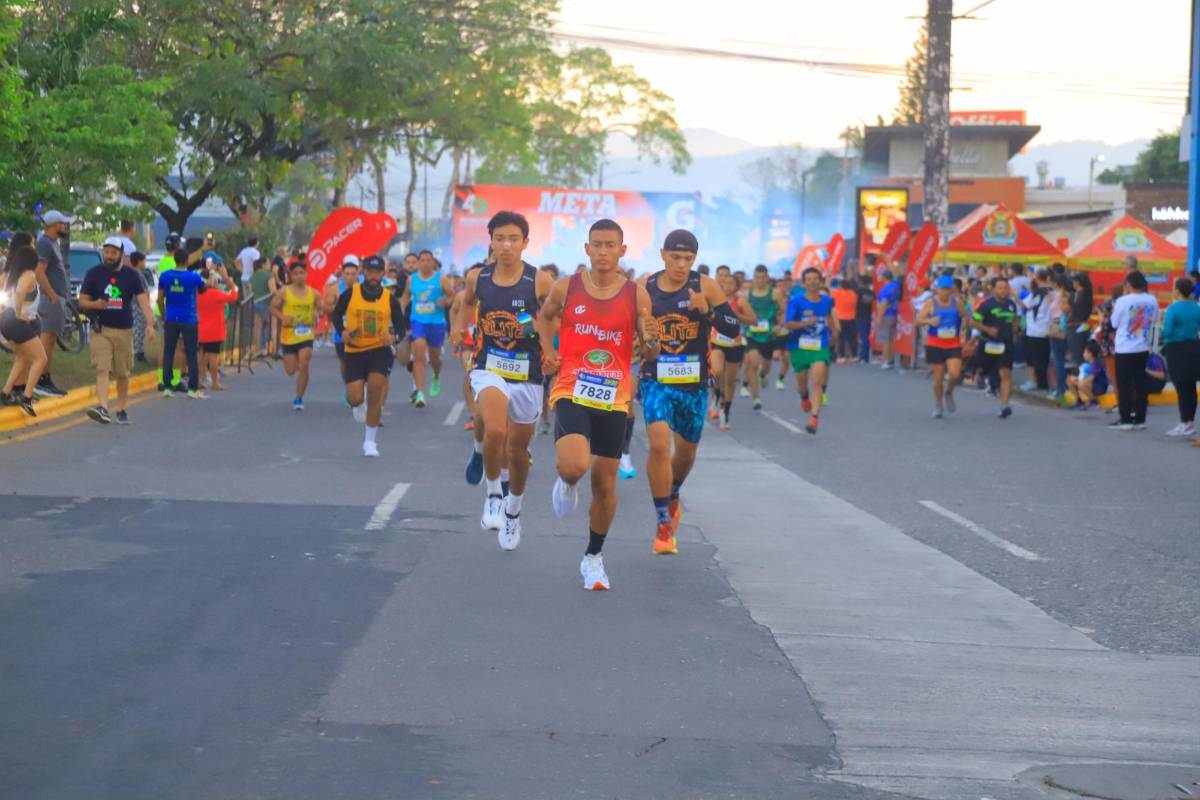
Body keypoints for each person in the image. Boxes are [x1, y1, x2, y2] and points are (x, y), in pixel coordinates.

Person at [539, 219, 659, 591]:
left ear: (623, 250)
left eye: (611, 245)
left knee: (605, 485)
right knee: (574, 465)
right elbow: (543, 319)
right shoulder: (566, 287)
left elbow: (649, 348)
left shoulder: (637, 295)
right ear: (587, 249)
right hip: (573, 387)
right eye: (597, 244)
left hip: (614, 396)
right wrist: (548, 352)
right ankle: (567, 481)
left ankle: (593, 557)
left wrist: (653, 344)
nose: (604, 251)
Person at [453, 211, 553, 550]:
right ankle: (493, 493)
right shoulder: (477, 278)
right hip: (489, 366)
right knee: (494, 427)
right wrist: (458, 329)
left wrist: (553, 348)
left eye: (514, 239)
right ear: (491, 241)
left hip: (528, 373)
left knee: (519, 452)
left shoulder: (538, 281)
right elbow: (467, 306)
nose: (506, 245)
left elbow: (554, 319)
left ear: (525, 243)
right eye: (500, 238)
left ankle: (513, 512)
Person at [638, 229, 739, 554]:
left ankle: (675, 490)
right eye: (675, 257)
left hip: (693, 384)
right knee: (657, 445)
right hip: (656, 378)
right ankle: (662, 524)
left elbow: (733, 329)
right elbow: (633, 333)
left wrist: (708, 311)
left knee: (684, 455)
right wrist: (646, 335)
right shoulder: (646, 288)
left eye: (688, 259)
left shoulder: (704, 285)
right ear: (663, 255)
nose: (681, 265)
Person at [329, 255, 407, 456]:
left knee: (375, 391)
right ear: (363, 272)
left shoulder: (389, 299)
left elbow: (401, 327)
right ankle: (358, 401)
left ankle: (370, 442)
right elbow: (336, 315)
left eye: (377, 272)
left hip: (379, 350)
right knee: (355, 398)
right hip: (354, 350)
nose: (373, 276)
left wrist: (393, 337)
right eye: (370, 272)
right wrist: (342, 331)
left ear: (383, 274)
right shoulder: (350, 294)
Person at [77, 238, 158, 424]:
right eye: (107, 252)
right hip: (101, 329)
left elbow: (143, 302)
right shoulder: (93, 274)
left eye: (113, 253)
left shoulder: (132, 276)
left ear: (121, 254)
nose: (109, 256)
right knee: (102, 368)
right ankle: (103, 408)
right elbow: (82, 302)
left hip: (124, 330)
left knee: (122, 372)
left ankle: (121, 408)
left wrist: (150, 324)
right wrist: (95, 304)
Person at [781, 267, 839, 434]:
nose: (813, 281)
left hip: (820, 346)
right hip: (799, 347)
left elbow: (829, 317)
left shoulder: (827, 300)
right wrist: (805, 323)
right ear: (804, 283)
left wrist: (834, 333)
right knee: (802, 384)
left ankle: (814, 418)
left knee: (817, 381)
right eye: (809, 279)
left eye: (815, 278)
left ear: (820, 281)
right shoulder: (796, 301)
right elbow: (788, 324)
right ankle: (804, 397)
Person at [400, 250, 452, 407]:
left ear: (433, 262)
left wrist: (445, 301)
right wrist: (401, 309)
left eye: (428, 260)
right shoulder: (412, 279)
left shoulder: (440, 279)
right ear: (418, 263)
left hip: (436, 323)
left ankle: (436, 375)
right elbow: (405, 296)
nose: (425, 263)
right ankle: (420, 393)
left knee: (435, 359)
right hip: (418, 321)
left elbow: (452, 295)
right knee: (419, 355)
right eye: (422, 260)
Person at [0, 245, 48, 416]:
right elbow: (20, 292)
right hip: (16, 321)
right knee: (40, 359)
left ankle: (6, 393)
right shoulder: (29, 275)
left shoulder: (13, 275)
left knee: (22, 358)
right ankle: (26, 397)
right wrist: (19, 313)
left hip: (7, 321)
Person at [1108, 271, 1158, 431]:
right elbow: (1155, 319)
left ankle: (1126, 419)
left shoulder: (1123, 301)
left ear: (1128, 285)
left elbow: (1114, 323)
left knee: (1124, 384)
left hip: (1125, 348)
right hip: (1143, 346)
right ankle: (1140, 418)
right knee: (1140, 383)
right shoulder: (1151, 299)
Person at [32, 210, 74, 398]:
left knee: (50, 340)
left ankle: (45, 378)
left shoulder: (52, 243)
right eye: (62, 223)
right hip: (51, 300)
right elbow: (39, 272)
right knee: (46, 340)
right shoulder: (45, 243)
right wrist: (53, 295)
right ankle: (39, 380)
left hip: (56, 298)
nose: (65, 226)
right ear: (54, 224)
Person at [708, 272, 757, 430]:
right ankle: (716, 395)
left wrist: (736, 315)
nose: (727, 286)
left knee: (730, 380)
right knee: (716, 371)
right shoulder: (715, 299)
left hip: (735, 344)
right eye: (725, 283)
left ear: (737, 286)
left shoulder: (740, 300)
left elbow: (753, 320)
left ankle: (725, 411)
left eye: (731, 283)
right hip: (717, 342)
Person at [271, 261, 322, 411]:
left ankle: (299, 398)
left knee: (304, 362)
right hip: (288, 335)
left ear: (306, 275)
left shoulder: (314, 293)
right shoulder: (284, 292)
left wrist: (316, 314)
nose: (299, 276)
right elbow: (272, 307)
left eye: (301, 273)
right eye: (295, 273)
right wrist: (282, 317)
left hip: (306, 334)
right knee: (291, 370)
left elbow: (320, 309)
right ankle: (299, 370)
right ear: (291, 276)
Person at [969, 276, 1019, 419]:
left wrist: (1015, 331)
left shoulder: (1011, 304)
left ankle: (1004, 405)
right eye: (1000, 288)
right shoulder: (985, 304)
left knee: (1006, 374)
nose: (1003, 291)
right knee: (987, 370)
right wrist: (987, 329)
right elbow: (973, 322)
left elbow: (1014, 319)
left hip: (1006, 343)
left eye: (1006, 288)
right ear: (994, 289)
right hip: (988, 343)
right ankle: (980, 375)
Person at [916, 275, 966, 418]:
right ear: (937, 289)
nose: (945, 292)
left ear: (952, 290)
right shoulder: (930, 303)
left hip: (953, 343)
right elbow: (918, 321)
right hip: (935, 343)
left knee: (955, 374)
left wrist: (962, 331)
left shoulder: (957, 302)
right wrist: (930, 321)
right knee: (938, 378)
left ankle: (949, 391)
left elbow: (965, 317)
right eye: (942, 289)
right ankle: (938, 404)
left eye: (948, 289)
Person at [1160, 277, 1199, 438]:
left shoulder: (1173, 309)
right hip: (1194, 347)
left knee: (1181, 388)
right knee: (1190, 386)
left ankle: (1185, 423)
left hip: (1176, 349)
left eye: (1173, 288)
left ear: (1177, 290)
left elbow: (1167, 332)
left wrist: (1163, 326)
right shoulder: (1196, 307)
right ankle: (1189, 422)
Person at [196, 261, 238, 392]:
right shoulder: (215, 294)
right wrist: (233, 286)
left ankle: (200, 380)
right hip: (214, 330)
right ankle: (215, 382)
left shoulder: (195, 294)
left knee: (201, 356)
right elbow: (233, 297)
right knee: (213, 358)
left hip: (199, 329)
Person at [743, 265, 778, 410]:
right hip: (751, 334)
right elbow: (740, 312)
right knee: (753, 363)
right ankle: (756, 397)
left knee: (766, 366)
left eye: (763, 277)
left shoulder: (775, 293)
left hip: (769, 335)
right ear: (753, 278)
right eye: (757, 277)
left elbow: (782, 311)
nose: (760, 280)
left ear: (767, 278)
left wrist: (779, 325)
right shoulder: (746, 294)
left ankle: (763, 375)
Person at [1020, 269, 1053, 393]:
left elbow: (1024, 305)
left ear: (1037, 279)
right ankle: (1044, 383)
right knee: (1044, 358)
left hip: (1035, 330)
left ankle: (1036, 382)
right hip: (1047, 329)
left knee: (1033, 359)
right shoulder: (1052, 291)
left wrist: (1013, 295)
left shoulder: (1037, 293)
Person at [249, 257, 277, 356]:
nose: (270, 265)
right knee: (273, 326)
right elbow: (273, 291)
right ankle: (274, 349)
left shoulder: (252, 277)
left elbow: (251, 292)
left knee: (258, 327)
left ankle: (259, 349)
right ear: (263, 265)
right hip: (267, 304)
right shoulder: (269, 275)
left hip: (256, 304)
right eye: (268, 263)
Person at [1068, 341, 1108, 410]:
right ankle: (1079, 402)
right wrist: (1076, 380)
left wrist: (1079, 381)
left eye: (1085, 352)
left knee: (1081, 384)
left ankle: (1094, 402)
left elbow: (1091, 378)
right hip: (1091, 384)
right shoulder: (1087, 363)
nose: (1083, 354)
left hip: (1099, 387)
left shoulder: (1098, 364)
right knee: (1070, 379)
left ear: (1090, 354)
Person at [874, 269, 901, 368]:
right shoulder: (895, 286)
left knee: (885, 339)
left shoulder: (884, 289)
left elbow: (883, 304)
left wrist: (879, 317)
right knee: (891, 339)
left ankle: (886, 360)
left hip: (886, 315)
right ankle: (891, 359)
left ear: (884, 278)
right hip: (894, 314)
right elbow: (897, 275)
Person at [1067, 272, 1094, 367]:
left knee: (1077, 356)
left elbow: (1073, 309)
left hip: (1075, 326)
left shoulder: (1077, 295)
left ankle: (1080, 378)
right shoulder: (1087, 294)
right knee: (1082, 354)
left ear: (1077, 282)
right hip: (1084, 325)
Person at [773, 272, 796, 387]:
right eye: (779, 286)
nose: (781, 288)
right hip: (775, 333)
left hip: (788, 333)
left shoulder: (791, 300)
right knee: (775, 356)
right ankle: (762, 371)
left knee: (786, 358)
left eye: (783, 286)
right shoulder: (771, 301)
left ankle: (780, 379)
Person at [830, 277, 858, 364]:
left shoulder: (837, 293)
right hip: (852, 318)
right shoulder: (853, 294)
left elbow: (827, 291)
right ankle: (854, 355)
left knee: (841, 338)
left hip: (840, 318)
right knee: (852, 338)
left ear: (841, 286)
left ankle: (841, 355)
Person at [855, 273, 874, 365]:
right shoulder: (871, 293)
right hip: (868, 316)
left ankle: (864, 356)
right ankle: (863, 355)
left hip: (859, 316)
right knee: (865, 336)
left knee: (863, 337)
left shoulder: (858, 291)